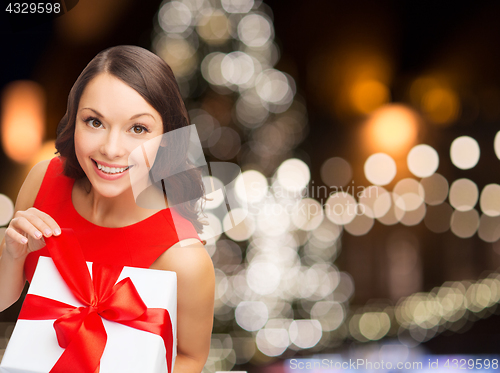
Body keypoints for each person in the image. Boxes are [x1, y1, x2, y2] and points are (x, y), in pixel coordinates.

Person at [0, 45, 215, 373]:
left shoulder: (182, 257)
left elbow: (190, 358)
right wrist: (11, 254)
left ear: (168, 137)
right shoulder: (44, 180)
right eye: (94, 122)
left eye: (138, 129)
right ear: (75, 121)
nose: (111, 149)